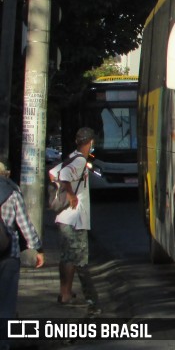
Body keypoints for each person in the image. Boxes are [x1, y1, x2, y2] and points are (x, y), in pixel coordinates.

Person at [55, 127, 100, 314]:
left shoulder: (72, 156)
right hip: (76, 219)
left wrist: (65, 189)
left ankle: (64, 294)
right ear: (89, 142)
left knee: (67, 258)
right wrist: (71, 194)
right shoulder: (80, 160)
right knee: (81, 261)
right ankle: (92, 302)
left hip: (64, 218)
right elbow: (63, 175)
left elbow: (53, 173)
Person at [0, 161, 44, 320]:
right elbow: (25, 225)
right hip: (8, 253)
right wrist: (37, 248)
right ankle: (3, 342)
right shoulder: (13, 193)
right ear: (5, 174)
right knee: (6, 300)